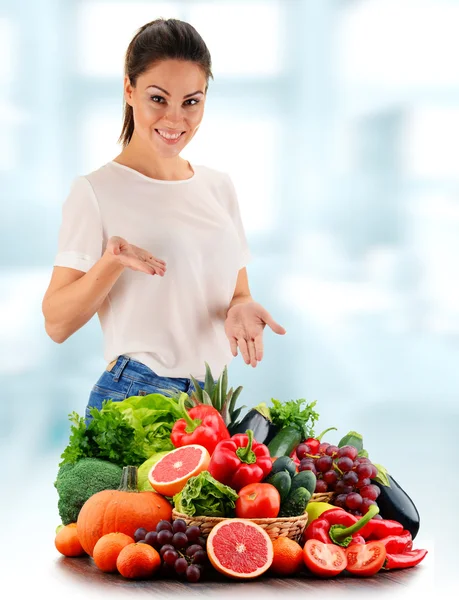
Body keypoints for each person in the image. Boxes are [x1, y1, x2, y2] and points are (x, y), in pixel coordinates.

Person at [41, 18, 286, 421]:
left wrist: (241, 308)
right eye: (158, 98)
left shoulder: (219, 187)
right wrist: (112, 262)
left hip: (211, 403)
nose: (175, 119)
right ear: (129, 89)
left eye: (191, 101)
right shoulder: (96, 191)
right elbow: (56, 323)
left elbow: (238, 292)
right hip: (136, 396)